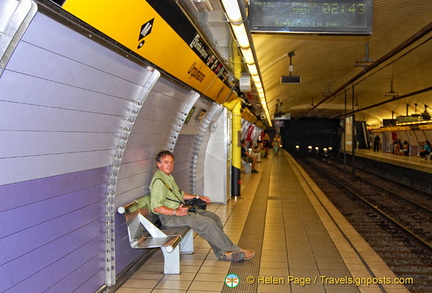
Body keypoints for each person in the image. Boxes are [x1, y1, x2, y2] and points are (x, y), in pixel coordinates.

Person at [150, 150, 255, 262]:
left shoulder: (168, 177)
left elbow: (179, 194)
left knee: (214, 218)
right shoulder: (159, 182)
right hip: (170, 218)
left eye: (171, 162)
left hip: (180, 211)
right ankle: (236, 250)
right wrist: (176, 212)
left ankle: (223, 253)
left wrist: (197, 197)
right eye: (166, 162)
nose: (169, 165)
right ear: (159, 164)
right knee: (207, 223)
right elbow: (156, 207)